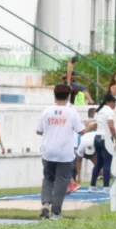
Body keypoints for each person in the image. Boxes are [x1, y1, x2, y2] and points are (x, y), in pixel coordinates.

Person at [36, 85, 87, 219]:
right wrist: (89, 126)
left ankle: (46, 204)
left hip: (48, 150)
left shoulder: (46, 111)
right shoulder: (71, 112)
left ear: (54, 96)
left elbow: (39, 131)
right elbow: (81, 131)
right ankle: (56, 212)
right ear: (68, 97)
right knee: (62, 181)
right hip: (65, 153)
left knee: (48, 178)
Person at [90, 96, 116, 190]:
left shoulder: (98, 111)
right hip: (106, 138)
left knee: (98, 163)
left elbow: (95, 125)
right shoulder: (109, 111)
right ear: (107, 102)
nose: (115, 104)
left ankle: (92, 185)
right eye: (113, 102)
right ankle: (106, 186)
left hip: (97, 137)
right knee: (107, 163)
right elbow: (111, 126)